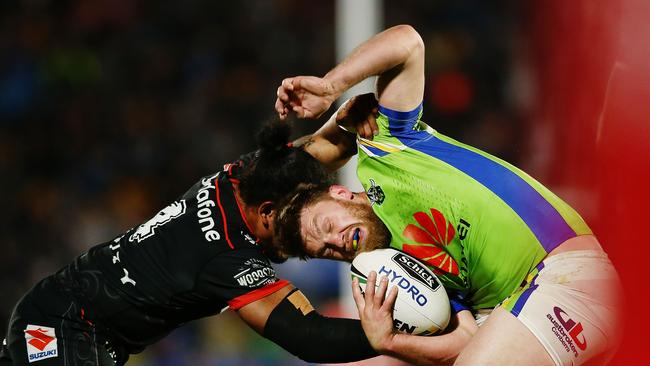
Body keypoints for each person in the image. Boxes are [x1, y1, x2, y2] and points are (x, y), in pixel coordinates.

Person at [274, 24, 621, 366]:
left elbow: (407, 43)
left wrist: (330, 86)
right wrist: (388, 341)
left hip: (565, 275)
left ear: (340, 193)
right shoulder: (396, 272)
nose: (336, 243)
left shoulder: (385, 149)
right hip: (519, 311)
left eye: (325, 226)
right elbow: (465, 337)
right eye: (326, 252)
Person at [0, 119, 378, 365]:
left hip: (71, 320)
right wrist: (386, 336)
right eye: (297, 240)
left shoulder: (245, 175)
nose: (309, 249)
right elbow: (309, 337)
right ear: (266, 213)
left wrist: (362, 116)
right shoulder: (227, 255)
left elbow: (331, 142)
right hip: (64, 324)